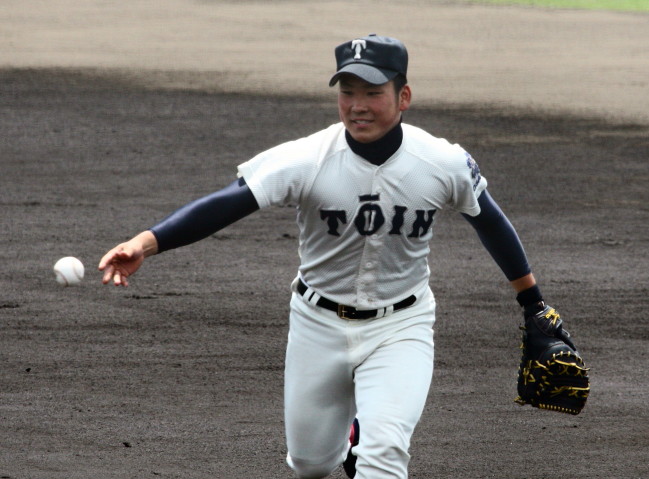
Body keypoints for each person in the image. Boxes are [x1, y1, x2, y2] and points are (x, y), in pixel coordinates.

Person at [99, 34, 550, 479]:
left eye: (372, 93)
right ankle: (351, 438)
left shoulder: (442, 162)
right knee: (311, 464)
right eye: (347, 92)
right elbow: (227, 203)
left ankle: (370, 441)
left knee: (385, 454)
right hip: (317, 324)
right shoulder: (306, 159)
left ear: (404, 97)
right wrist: (145, 243)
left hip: (402, 325)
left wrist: (533, 303)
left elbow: (490, 222)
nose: (357, 106)